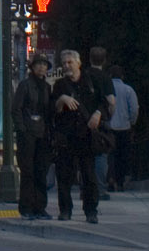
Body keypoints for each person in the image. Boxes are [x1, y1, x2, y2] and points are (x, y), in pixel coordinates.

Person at [50, 49, 104, 223]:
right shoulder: (60, 85)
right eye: (64, 63)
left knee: (89, 175)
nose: (67, 66)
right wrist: (62, 99)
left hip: (86, 136)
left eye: (70, 62)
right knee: (64, 176)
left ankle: (91, 211)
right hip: (66, 136)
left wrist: (97, 114)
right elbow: (53, 109)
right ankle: (65, 210)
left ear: (78, 63)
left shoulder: (91, 81)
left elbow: (105, 102)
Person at [12, 53, 54, 220]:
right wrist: (22, 129)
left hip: (42, 135)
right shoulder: (25, 85)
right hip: (28, 134)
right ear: (32, 67)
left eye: (44, 64)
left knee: (41, 171)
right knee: (28, 172)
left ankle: (40, 207)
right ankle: (26, 207)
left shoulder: (47, 88)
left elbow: (48, 111)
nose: (41, 67)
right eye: (38, 64)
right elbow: (16, 109)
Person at [84, 48, 116, 198]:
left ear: (89, 59)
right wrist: (109, 113)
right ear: (104, 60)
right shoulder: (105, 77)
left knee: (84, 155)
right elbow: (111, 101)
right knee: (101, 155)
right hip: (100, 120)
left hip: (83, 119)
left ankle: (86, 189)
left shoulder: (84, 75)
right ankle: (99, 189)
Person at [106, 66, 137, 192]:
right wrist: (132, 121)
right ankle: (120, 181)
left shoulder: (107, 89)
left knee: (110, 155)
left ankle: (110, 179)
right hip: (124, 127)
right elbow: (134, 109)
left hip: (109, 126)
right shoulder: (128, 90)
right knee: (122, 156)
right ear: (122, 76)